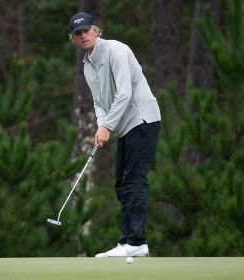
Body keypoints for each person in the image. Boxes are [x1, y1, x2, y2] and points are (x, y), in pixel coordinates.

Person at [69, 12, 161, 257]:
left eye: (86, 30)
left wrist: (106, 126)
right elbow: (99, 103)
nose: (83, 35)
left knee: (134, 180)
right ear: (74, 39)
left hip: (142, 119)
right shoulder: (88, 66)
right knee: (122, 183)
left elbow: (124, 94)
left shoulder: (117, 51)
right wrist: (102, 125)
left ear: (95, 31)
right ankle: (127, 241)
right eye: (78, 33)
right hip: (125, 126)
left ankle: (137, 242)